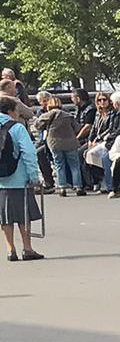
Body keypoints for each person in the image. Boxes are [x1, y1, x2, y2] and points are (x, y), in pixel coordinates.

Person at [0, 95, 45, 262]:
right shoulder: (17, 128)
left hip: (1, 182)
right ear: (10, 111)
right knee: (23, 215)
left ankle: (10, 249)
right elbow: (28, 153)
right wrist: (34, 176)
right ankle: (27, 248)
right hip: (19, 178)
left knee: (5, 217)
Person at [37, 93, 83, 195]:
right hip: (70, 142)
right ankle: (78, 186)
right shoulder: (68, 115)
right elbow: (77, 128)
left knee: (59, 165)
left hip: (54, 143)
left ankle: (62, 187)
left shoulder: (46, 116)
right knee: (74, 165)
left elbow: (38, 125)